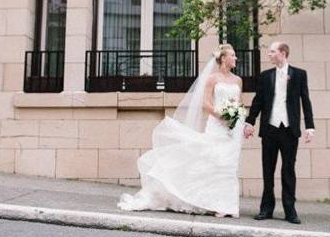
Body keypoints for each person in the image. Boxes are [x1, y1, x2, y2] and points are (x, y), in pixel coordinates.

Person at [118, 44, 244, 217]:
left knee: (229, 166)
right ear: (223, 58)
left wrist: (238, 119)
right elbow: (206, 103)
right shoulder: (212, 79)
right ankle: (215, 204)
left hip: (233, 129)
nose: (236, 58)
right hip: (217, 125)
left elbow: (239, 103)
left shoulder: (238, 80)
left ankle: (229, 206)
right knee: (214, 162)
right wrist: (221, 116)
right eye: (233, 55)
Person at [244, 42, 315, 224]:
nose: (269, 55)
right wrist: (250, 122)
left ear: (282, 53)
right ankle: (266, 209)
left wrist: (310, 126)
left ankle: (290, 211)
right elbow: (258, 101)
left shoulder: (299, 74)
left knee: (288, 170)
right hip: (269, 129)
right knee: (268, 170)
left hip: (290, 130)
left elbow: (305, 100)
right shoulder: (265, 76)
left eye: (272, 52)